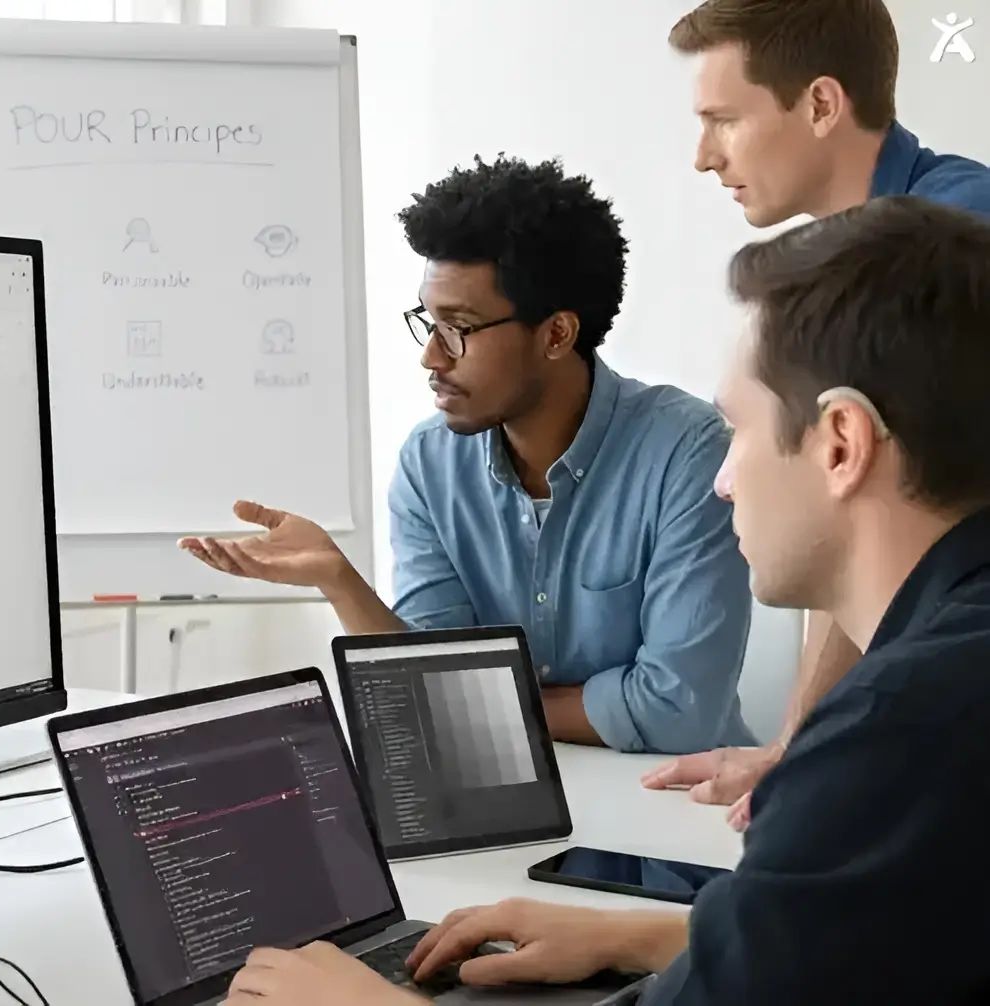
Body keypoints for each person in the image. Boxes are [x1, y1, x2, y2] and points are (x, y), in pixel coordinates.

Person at [223, 195, 990, 1006]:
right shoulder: (945, 677)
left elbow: (676, 716)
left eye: (741, 430)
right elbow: (853, 937)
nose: (724, 481)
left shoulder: (891, 738)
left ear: (840, 444)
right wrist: (641, 935)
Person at [181, 155, 753, 755]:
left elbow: (677, 710)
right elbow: (422, 688)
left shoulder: (688, 454)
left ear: (556, 334)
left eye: (458, 328)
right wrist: (338, 578)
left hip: (666, 826)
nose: (432, 355)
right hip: (510, 820)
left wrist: (474, 702)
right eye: (428, 322)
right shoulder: (429, 467)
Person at [645, 0, 990, 826]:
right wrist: (803, 746)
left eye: (724, 119)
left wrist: (812, 753)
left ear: (823, 105)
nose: (703, 157)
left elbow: (882, 518)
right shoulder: (857, 264)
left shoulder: (947, 245)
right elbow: (846, 533)